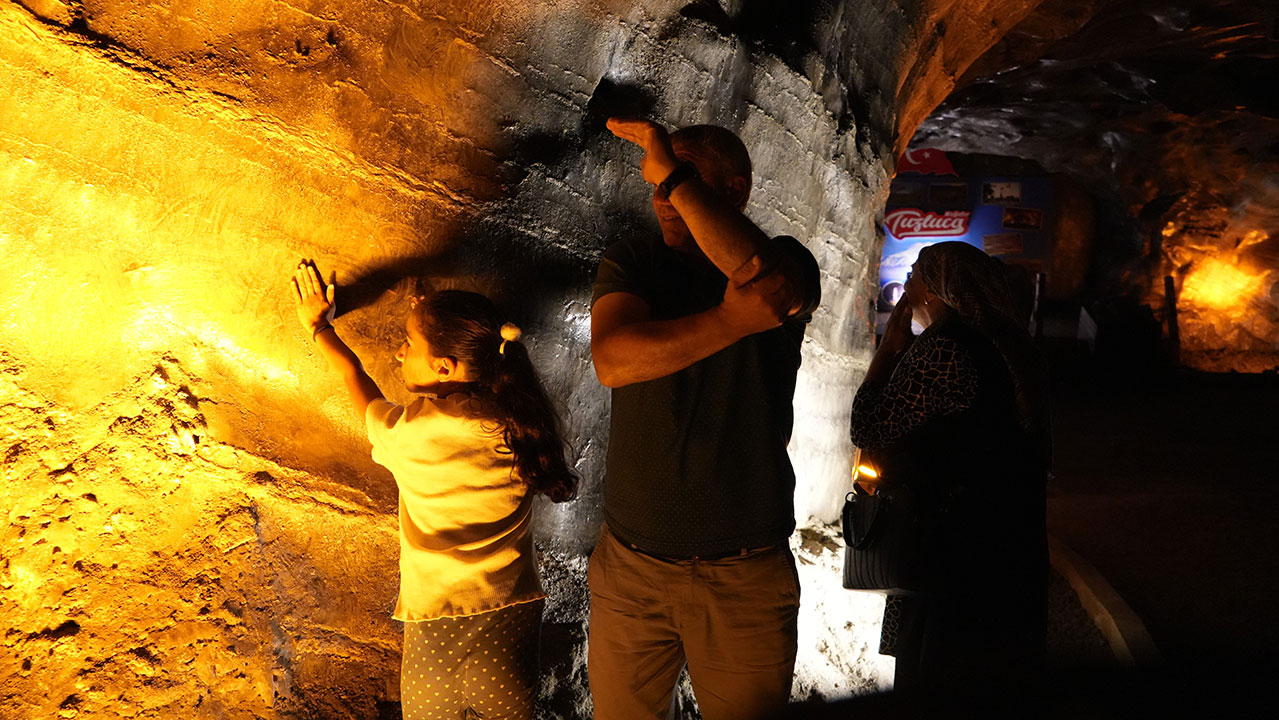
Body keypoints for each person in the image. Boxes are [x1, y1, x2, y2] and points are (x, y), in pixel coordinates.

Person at [588, 119, 821, 720]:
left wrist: (671, 171)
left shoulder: (787, 260)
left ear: (735, 189)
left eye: (681, 178)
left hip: (743, 577)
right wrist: (729, 323)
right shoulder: (634, 260)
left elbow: (765, 289)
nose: (663, 196)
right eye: (660, 181)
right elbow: (613, 361)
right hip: (632, 571)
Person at [290, 262, 577, 720]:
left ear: (445, 366)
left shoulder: (408, 432)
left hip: (434, 637)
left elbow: (355, 379)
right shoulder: (520, 425)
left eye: (409, 344)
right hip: (510, 628)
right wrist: (430, 316)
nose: (400, 354)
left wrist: (319, 326)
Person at [849, 241, 1051, 706]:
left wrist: (889, 350)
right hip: (1007, 540)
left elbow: (869, 424)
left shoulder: (943, 349)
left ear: (936, 292)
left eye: (916, 277)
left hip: (948, 549)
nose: (908, 290)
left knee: (937, 673)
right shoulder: (1012, 346)